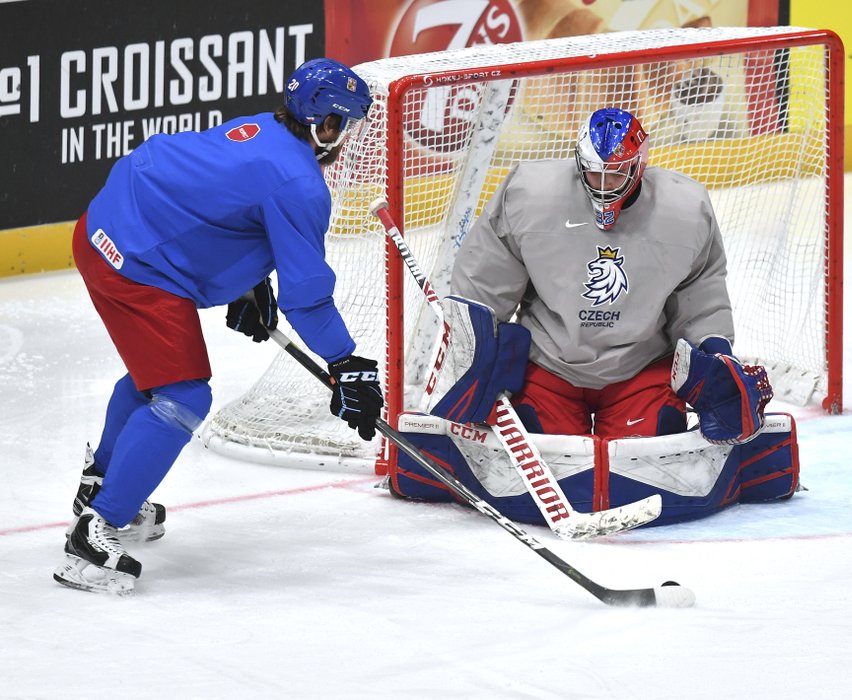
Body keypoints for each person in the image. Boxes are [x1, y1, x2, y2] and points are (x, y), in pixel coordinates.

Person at [54, 58, 384, 595]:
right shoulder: (301, 183)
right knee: (183, 395)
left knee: (155, 374)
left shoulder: (263, 127)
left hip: (106, 226)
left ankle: (100, 486)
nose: (349, 137)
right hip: (135, 261)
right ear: (328, 123)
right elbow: (306, 296)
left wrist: (248, 283)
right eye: (347, 123)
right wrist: (346, 363)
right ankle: (97, 529)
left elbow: (216, 203)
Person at [448, 107, 770, 442]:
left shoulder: (685, 211)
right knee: (552, 454)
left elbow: (701, 294)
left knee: (644, 463)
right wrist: (472, 352)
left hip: (640, 367)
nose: (603, 185)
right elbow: (484, 279)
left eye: (615, 173)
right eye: (593, 172)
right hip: (548, 365)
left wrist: (715, 353)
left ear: (639, 165)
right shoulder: (529, 196)